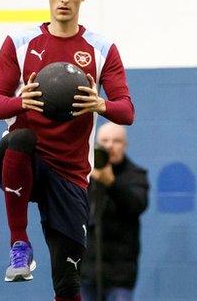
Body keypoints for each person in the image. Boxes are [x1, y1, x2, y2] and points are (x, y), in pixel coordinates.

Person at [0, 0, 134, 301]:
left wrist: (99, 104)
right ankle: (19, 244)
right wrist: (22, 101)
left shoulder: (101, 49)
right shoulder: (20, 44)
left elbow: (127, 111)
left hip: (70, 175)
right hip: (24, 161)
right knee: (19, 138)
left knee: (68, 284)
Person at [80, 122, 149, 301]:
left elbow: (137, 204)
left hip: (120, 276)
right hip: (86, 272)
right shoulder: (83, 175)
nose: (110, 146)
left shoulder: (136, 175)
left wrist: (111, 183)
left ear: (125, 145)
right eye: (104, 140)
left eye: (116, 141)